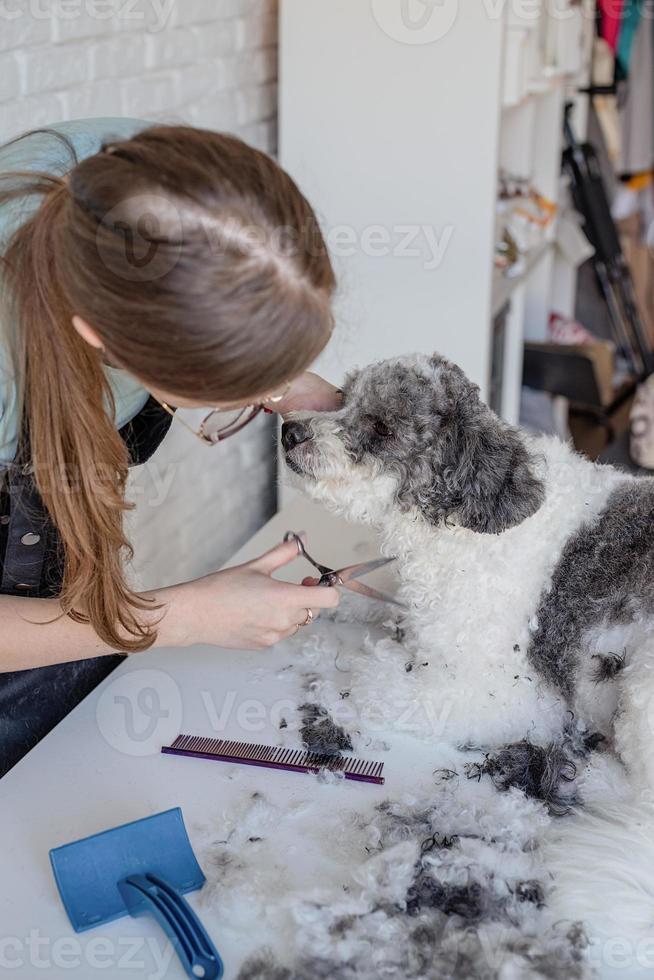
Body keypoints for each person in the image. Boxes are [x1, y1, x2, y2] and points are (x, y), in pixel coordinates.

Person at [0, 118, 342, 776]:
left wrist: (283, 370)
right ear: (101, 341)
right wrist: (174, 617)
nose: (264, 400)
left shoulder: (147, 190)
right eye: (222, 401)